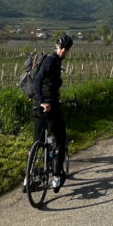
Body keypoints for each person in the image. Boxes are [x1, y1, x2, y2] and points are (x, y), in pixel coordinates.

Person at [32, 33, 74, 191]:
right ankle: (57, 176)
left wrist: (39, 101)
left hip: (38, 106)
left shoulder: (52, 61)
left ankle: (28, 178)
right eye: (61, 48)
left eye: (66, 49)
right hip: (48, 106)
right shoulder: (51, 61)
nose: (63, 51)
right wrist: (43, 101)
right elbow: (38, 80)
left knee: (37, 142)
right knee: (60, 140)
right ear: (56, 47)